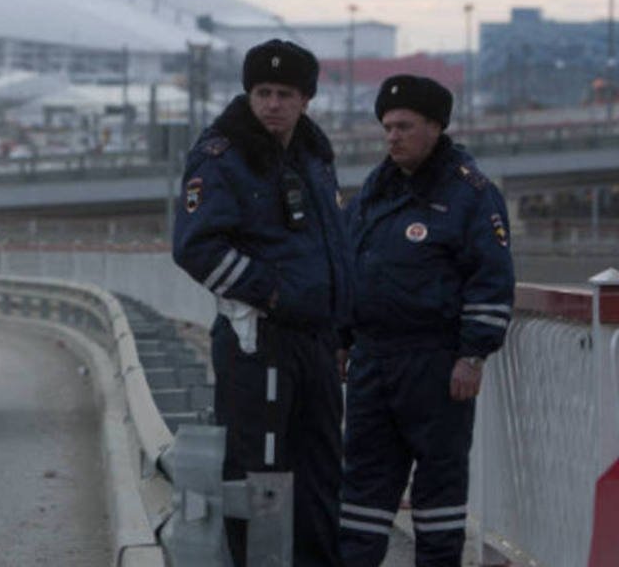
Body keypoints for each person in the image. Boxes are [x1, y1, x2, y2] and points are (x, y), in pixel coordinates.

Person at [172, 39, 351, 566]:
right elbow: (196, 247)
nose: (273, 104)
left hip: (316, 343)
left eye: (285, 94)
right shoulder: (221, 156)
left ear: (306, 99)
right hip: (260, 345)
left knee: (321, 474)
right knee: (262, 478)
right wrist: (268, 292)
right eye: (263, 92)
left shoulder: (314, 154)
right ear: (249, 94)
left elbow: (331, 247)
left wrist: (341, 329)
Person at [339, 75, 516, 566]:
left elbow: (492, 277)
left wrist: (473, 354)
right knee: (362, 492)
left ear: (436, 127)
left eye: (404, 126)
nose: (392, 136)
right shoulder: (374, 193)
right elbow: (350, 267)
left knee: (438, 493)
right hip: (373, 362)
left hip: (436, 365)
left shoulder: (471, 195)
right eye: (387, 127)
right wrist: (340, 338)